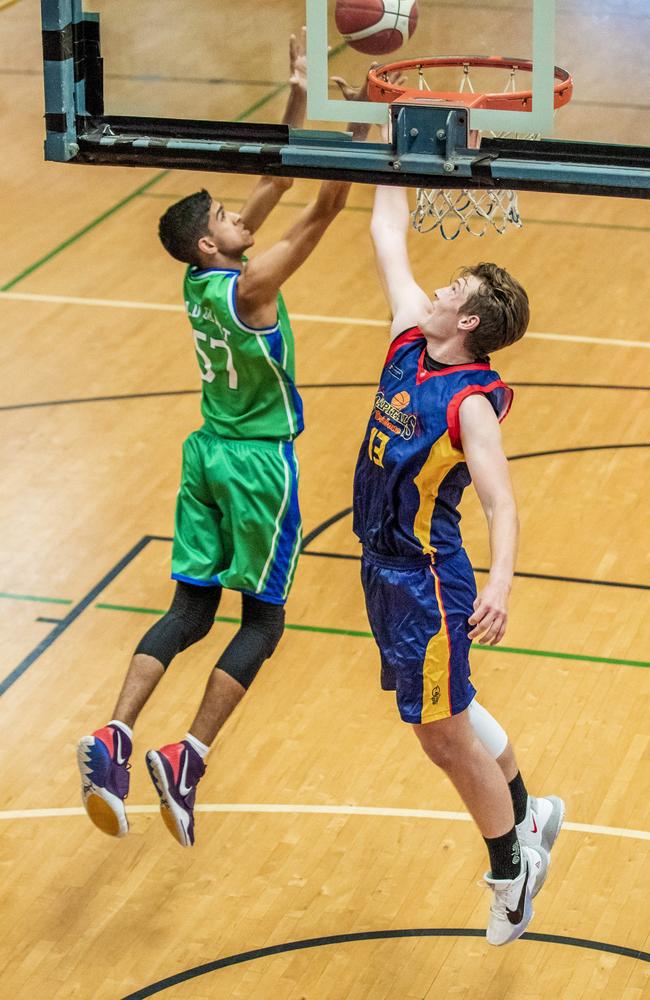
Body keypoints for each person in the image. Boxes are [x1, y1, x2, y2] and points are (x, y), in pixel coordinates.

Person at [76, 32, 371, 848]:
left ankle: (115, 737)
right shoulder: (254, 285)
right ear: (213, 244)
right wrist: (363, 143)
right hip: (255, 464)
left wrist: (303, 95)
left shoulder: (197, 276)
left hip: (203, 452)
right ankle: (188, 756)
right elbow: (321, 208)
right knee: (263, 623)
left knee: (188, 609)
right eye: (224, 218)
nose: (238, 217)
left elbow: (275, 181)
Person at [353, 182, 564, 946]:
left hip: (427, 580)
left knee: (439, 733)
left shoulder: (470, 402)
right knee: (452, 702)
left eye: (452, 289)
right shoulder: (411, 333)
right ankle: (528, 809)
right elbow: (386, 228)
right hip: (382, 566)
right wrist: (392, 148)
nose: (434, 289)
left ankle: (513, 874)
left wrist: (499, 585)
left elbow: (500, 504)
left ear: (467, 321)